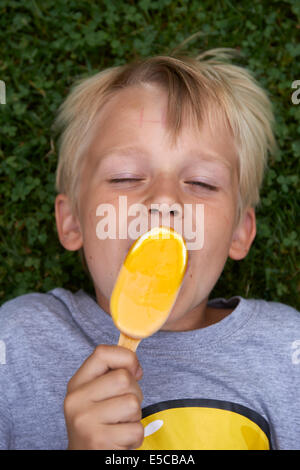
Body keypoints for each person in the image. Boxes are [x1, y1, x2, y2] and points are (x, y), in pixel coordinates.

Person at [0, 49, 299, 450]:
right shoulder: (18, 345)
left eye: (202, 183)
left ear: (238, 234)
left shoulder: (286, 351)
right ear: (72, 221)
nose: (163, 199)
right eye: (125, 177)